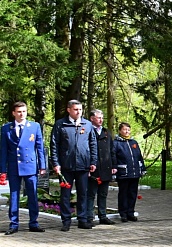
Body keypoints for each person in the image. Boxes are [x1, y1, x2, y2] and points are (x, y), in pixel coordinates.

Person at [50, 100, 97, 231]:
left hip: (83, 165)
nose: (78, 112)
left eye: (80, 110)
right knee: (65, 195)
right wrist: (56, 163)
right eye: (76, 109)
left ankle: (82, 219)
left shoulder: (87, 124)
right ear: (69, 110)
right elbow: (54, 145)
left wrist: (93, 162)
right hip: (66, 166)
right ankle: (66, 221)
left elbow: (93, 144)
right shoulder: (60, 124)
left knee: (83, 193)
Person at [0, 102, 47, 234]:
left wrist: (42, 165)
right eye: (19, 112)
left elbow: (40, 147)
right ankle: (14, 224)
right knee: (14, 196)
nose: (22, 114)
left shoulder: (34, 126)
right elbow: (3, 150)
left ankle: (34, 222)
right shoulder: (6, 128)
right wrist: (2, 169)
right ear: (14, 113)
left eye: (24, 111)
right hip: (14, 166)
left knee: (32, 195)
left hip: (30, 166)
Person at [87, 109, 116, 225]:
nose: (101, 120)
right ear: (92, 118)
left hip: (105, 167)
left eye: (102, 118)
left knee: (103, 194)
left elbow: (111, 150)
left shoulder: (106, 132)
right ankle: (89, 216)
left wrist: (114, 165)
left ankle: (102, 215)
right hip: (93, 168)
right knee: (90, 194)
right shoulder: (87, 131)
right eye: (98, 118)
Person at [114, 123, 146, 222]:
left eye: (128, 129)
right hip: (123, 173)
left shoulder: (134, 142)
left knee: (132, 193)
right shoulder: (116, 143)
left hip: (134, 172)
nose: (127, 131)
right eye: (124, 129)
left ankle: (130, 212)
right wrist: (114, 169)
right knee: (123, 193)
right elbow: (113, 157)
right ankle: (123, 213)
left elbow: (139, 156)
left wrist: (142, 169)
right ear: (120, 131)